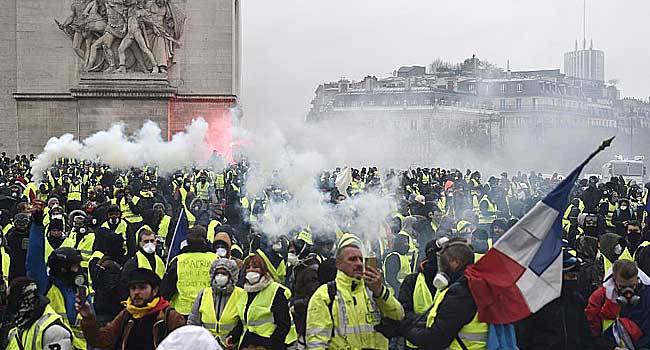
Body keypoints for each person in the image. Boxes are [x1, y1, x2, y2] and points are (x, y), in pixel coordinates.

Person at [376, 238, 487, 350]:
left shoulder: (460, 292)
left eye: (443, 261)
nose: (440, 266)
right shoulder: (468, 284)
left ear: (455, 262)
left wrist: (402, 329)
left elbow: (436, 338)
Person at [306, 234, 404, 350]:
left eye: (361, 259)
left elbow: (398, 316)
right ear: (338, 264)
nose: (358, 263)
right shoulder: (324, 295)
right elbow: (316, 343)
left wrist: (379, 291)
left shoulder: (374, 290)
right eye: (352, 259)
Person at [77, 268, 186, 349]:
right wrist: (88, 318)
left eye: (142, 288)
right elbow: (102, 340)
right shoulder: (126, 314)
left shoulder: (170, 317)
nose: (136, 292)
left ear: (155, 290)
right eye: (133, 288)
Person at [515, 248, 595, 350]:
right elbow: (524, 338)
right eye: (570, 276)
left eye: (575, 276)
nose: (574, 280)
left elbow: (585, 336)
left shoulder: (576, 300)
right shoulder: (536, 301)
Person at [228, 254, 296, 349]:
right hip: (248, 343)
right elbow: (243, 321)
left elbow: (284, 325)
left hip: (270, 344)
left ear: (263, 270)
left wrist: (269, 346)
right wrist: (233, 337)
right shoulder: (245, 292)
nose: (251, 270)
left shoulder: (276, 291)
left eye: (255, 267)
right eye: (248, 267)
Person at [585, 259, 650, 349]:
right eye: (622, 287)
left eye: (632, 286)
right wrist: (611, 348)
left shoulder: (647, 295)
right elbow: (591, 335)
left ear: (638, 278)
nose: (628, 292)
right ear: (614, 281)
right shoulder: (599, 298)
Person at [188, 258, 244, 348]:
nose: (220, 276)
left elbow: (244, 323)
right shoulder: (203, 294)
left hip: (231, 345)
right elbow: (193, 321)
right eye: (217, 273)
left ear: (231, 275)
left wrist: (234, 337)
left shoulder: (241, 294)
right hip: (207, 345)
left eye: (224, 273)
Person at [5, 277, 74, 350]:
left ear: (24, 299)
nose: (9, 305)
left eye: (11, 300)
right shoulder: (17, 329)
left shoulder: (53, 331)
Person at [161, 226, 216, 316]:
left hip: (182, 313)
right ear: (205, 240)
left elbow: (166, 290)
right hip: (208, 311)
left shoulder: (178, 260)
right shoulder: (214, 258)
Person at [398, 239, 441, 350]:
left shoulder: (453, 282)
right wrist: (426, 320)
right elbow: (403, 312)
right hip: (415, 343)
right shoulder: (412, 281)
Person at [286, 233, 320, 346]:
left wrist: (295, 306)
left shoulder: (311, 270)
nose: (290, 255)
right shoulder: (299, 267)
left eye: (293, 252)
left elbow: (315, 298)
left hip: (307, 323)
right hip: (299, 321)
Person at [89, 227, 126, 324]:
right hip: (109, 311)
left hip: (101, 306)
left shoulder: (104, 261)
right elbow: (112, 290)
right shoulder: (111, 266)